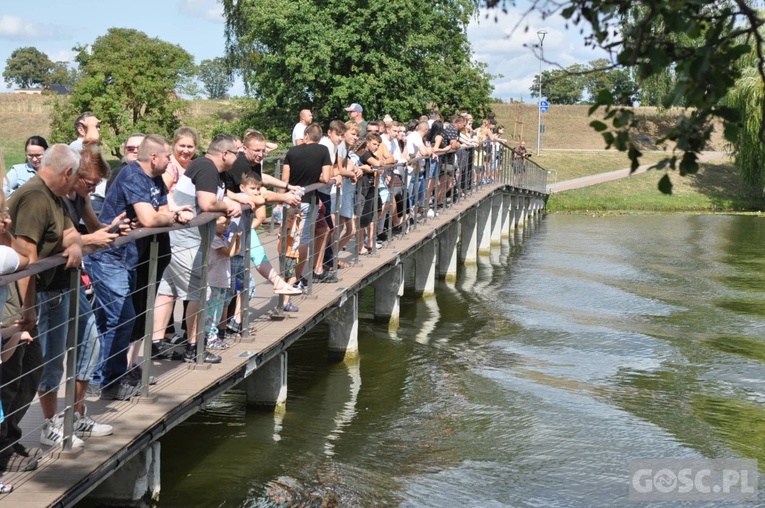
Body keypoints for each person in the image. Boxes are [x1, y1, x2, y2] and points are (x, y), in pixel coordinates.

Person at [8, 144, 84, 449]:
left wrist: (76, 244)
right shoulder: (36, 197)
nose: (75, 183)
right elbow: (27, 257)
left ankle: (10, 440)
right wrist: (27, 311)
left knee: (33, 369)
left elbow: (69, 231)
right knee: (17, 374)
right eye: (75, 176)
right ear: (67, 172)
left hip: (33, 300)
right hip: (21, 302)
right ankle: (7, 443)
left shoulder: (53, 196)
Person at [152, 134, 240, 364]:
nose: (238, 157)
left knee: (167, 289)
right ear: (225, 154)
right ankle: (194, 347)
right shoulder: (207, 167)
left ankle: (156, 343)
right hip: (186, 241)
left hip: (183, 240)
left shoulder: (209, 169)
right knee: (200, 292)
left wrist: (234, 200)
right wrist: (227, 207)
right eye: (237, 152)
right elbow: (207, 203)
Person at [60, 147, 124, 433]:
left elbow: (95, 227)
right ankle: (61, 421)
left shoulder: (81, 195)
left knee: (89, 344)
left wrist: (114, 229)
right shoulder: (57, 197)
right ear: (74, 174)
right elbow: (67, 239)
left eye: (98, 184)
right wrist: (91, 238)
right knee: (52, 359)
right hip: (53, 284)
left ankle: (77, 413)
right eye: (90, 183)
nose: (94, 189)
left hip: (72, 280)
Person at [281, 123, 333, 289]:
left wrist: (280, 200)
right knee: (303, 240)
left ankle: (286, 274)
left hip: (290, 200)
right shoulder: (323, 151)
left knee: (288, 238)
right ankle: (296, 278)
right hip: (309, 200)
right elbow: (326, 178)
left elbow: (284, 180)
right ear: (319, 137)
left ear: (306, 135)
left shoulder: (292, 151)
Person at [202, 216, 239, 350]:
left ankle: (213, 335)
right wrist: (235, 238)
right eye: (223, 223)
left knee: (217, 311)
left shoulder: (222, 238)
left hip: (222, 280)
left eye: (228, 224)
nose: (226, 226)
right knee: (211, 311)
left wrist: (238, 239)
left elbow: (235, 251)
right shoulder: (214, 239)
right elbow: (229, 253)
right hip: (214, 280)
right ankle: (209, 337)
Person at [335, 121, 363, 256]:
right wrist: (352, 173)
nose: (355, 137)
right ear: (344, 133)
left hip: (345, 193)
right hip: (339, 192)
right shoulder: (340, 146)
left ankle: (332, 257)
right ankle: (330, 258)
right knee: (341, 228)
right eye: (352, 134)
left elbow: (346, 165)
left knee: (344, 229)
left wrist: (355, 169)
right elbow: (339, 169)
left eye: (357, 135)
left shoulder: (346, 148)